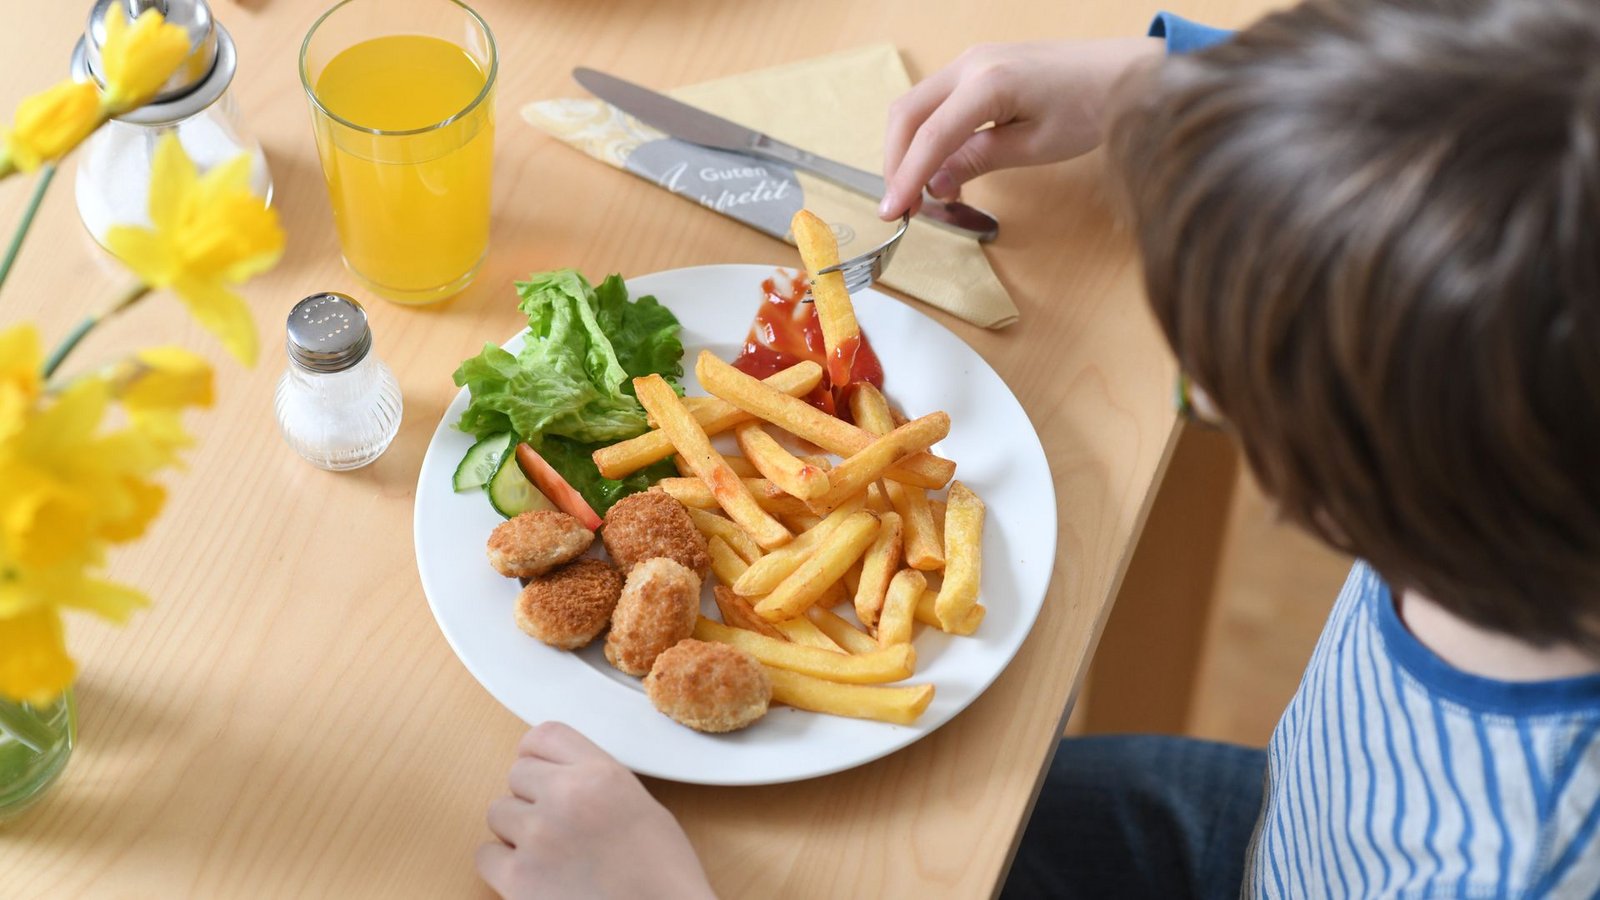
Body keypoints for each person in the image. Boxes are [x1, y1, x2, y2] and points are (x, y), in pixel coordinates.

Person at [476, 1, 1600, 896]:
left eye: (1218, 390)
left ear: (1348, 491)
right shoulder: (1529, 448)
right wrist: (1170, 85)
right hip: (1290, 828)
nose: (1198, 390)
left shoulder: (1515, 863)